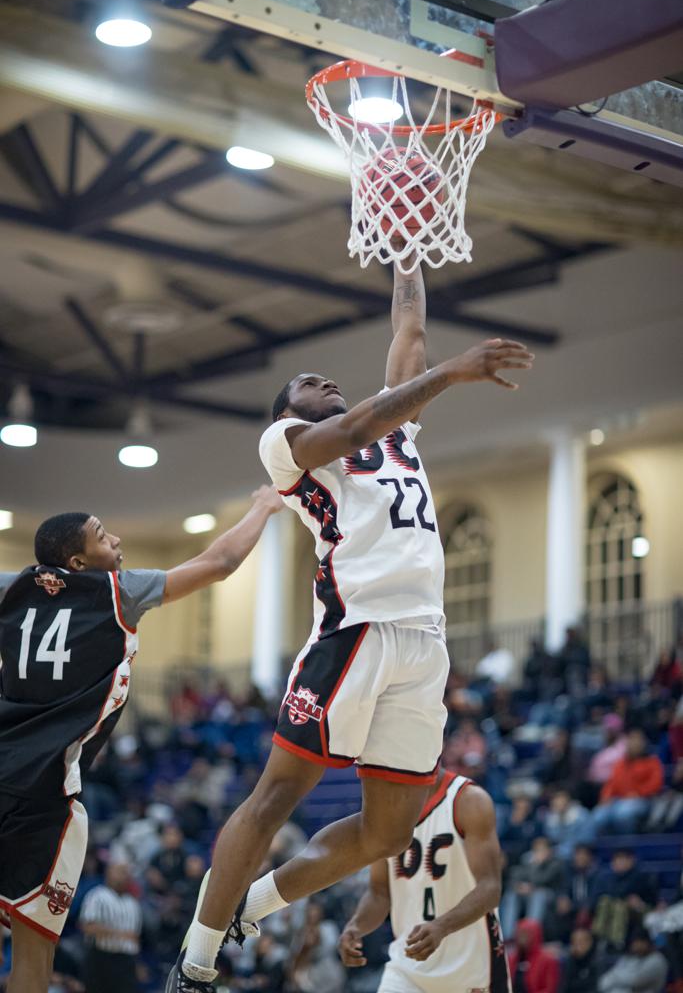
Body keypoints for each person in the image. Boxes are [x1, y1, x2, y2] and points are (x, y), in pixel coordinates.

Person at [168, 251, 534, 991]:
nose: (325, 382)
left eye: (327, 378)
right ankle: (197, 961)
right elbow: (370, 410)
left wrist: (406, 249)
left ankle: (253, 905)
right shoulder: (288, 449)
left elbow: (410, 328)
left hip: (423, 643)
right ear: (285, 411)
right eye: (308, 383)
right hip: (354, 633)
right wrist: (454, 374)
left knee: (389, 832)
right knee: (275, 798)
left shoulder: (395, 433)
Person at [0, 489, 282, 993]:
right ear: (79, 561)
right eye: (103, 535)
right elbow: (219, 561)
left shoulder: (11, 589)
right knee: (32, 950)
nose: (118, 538)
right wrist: (262, 505)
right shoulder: (117, 590)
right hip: (45, 795)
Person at [338, 770, 509, 993]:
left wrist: (442, 926)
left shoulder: (468, 801)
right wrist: (356, 926)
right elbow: (379, 893)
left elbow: (490, 888)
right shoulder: (384, 813)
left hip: (470, 968)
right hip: (408, 969)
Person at [580, 728, 664, 841]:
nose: (634, 743)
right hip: (619, 800)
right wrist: (606, 796)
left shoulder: (652, 761)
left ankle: (626, 844)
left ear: (643, 743)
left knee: (623, 814)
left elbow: (656, 784)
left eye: (637, 740)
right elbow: (611, 783)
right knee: (597, 816)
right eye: (631, 740)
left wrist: (639, 793)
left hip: (643, 800)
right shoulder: (620, 763)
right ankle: (608, 846)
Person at [79, 861, 142, 993]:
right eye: (120, 871)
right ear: (109, 873)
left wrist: (138, 963)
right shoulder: (97, 895)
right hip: (101, 958)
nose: (124, 875)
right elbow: (87, 927)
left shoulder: (133, 903)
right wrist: (119, 934)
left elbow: (135, 938)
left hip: (126, 962)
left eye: (126, 872)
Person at [499, 836, 566, 939]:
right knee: (511, 895)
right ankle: (508, 936)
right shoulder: (527, 860)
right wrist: (519, 886)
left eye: (542, 849)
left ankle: (531, 934)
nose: (538, 852)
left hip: (550, 895)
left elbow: (542, 879)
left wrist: (536, 865)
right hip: (528, 893)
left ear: (549, 850)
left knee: (538, 895)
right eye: (536, 850)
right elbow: (515, 875)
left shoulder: (555, 863)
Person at [596, 928, 667, 993]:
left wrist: (615, 977)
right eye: (634, 943)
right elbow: (603, 982)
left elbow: (636, 980)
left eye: (640, 942)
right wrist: (616, 977)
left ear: (647, 942)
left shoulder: (657, 959)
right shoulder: (630, 958)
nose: (636, 946)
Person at [507, 919, 560, 993]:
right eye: (519, 934)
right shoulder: (511, 959)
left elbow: (550, 989)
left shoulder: (548, 960)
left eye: (525, 934)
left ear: (535, 935)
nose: (521, 938)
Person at [558, 928, 599, 993]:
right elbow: (563, 986)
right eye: (575, 942)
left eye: (581, 942)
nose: (577, 946)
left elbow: (595, 987)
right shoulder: (569, 961)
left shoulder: (596, 961)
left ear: (589, 943)